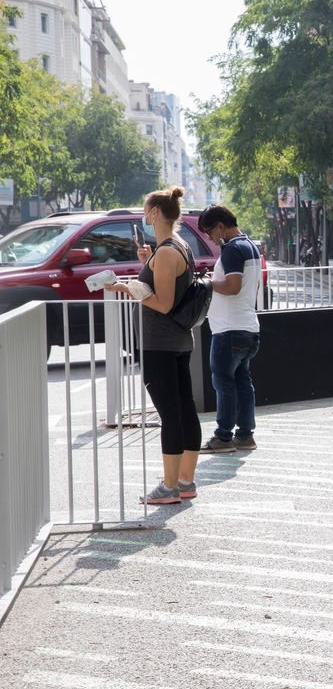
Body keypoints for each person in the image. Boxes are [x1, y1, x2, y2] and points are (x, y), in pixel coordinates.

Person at [106, 186, 200, 504]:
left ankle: (170, 486)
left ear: (155, 213)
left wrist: (129, 285)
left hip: (160, 343)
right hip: (176, 341)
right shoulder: (178, 246)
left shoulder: (169, 252)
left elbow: (161, 303)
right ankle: (185, 481)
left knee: (171, 414)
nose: (143, 216)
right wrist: (146, 264)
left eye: (145, 211)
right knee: (184, 409)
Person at [198, 205, 262, 453]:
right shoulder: (250, 246)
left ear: (221, 226)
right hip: (247, 327)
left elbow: (233, 286)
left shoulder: (233, 249)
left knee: (224, 384)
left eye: (209, 232)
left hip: (230, 330)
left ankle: (223, 437)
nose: (210, 238)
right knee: (242, 383)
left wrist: (206, 283)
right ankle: (245, 435)